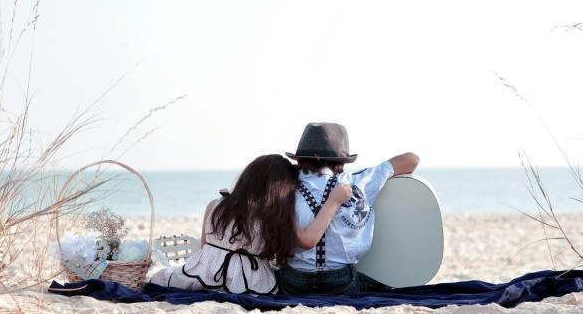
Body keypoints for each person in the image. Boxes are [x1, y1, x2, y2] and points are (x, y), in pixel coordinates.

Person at [149, 154, 352, 294]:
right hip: (249, 281)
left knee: (160, 277)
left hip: (205, 274)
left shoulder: (215, 205)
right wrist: (333, 201)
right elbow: (307, 240)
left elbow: (204, 249)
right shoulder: (272, 215)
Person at [278, 122, 419, 295]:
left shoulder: (283, 187)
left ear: (300, 159)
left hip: (294, 281)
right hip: (340, 281)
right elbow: (412, 159)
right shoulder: (357, 182)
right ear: (342, 161)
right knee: (380, 285)